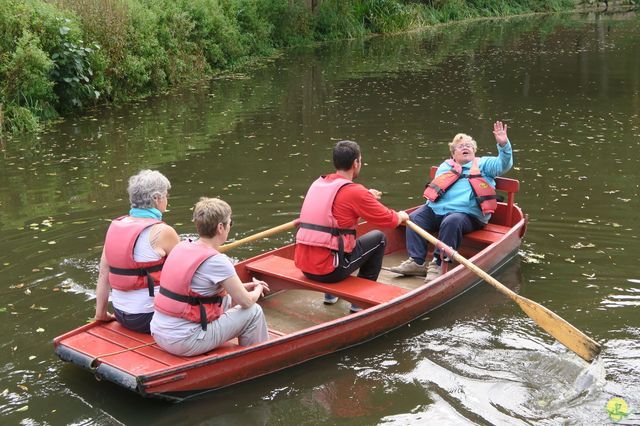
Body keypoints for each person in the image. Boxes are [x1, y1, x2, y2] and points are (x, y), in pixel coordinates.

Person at [294, 140, 410, 312]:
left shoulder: (319, 183)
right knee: (379, 238)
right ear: (356, 163)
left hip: (304, 265)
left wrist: (366, 195)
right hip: (329, 272)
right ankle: (359, 303)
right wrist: (401, 216)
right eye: (360, 161)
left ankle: (330, 296)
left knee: (334, 240)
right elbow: (389, 220)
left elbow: (339, 204)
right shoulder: (355, 192)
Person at [389, 121, 513, 281]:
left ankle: (438, 263)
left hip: (467, 215)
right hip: (437, 210)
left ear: (474, 151)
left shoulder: (485, 165)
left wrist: (503, 145)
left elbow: (504, 163)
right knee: (414, 218)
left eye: (469, 145)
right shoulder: (445, 166)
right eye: (460, 146)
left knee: (451, 221)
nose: (465, 147)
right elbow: (437, 190)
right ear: (453, 153)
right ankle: (417, 262)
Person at [150, 197, 269, 356]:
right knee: (254, 312)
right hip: (184, 341)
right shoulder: (217, 261)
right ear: (221, 227)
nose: (229, 227)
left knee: (226, 299)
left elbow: (192, 291)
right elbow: (246, 302)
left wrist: (243, 287)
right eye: (229, 224)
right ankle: (256, 359)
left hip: (158, 332)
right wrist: (258, 288)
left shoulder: (181, 247)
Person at [94, 170, 180, 333]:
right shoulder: (163, 231)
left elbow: (103, 274)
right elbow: (187, 272)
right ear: (156, 198)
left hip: (121, 315)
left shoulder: (114, 227)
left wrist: (101, 314)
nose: (167, 200)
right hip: (151, 318)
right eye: (165, 195)